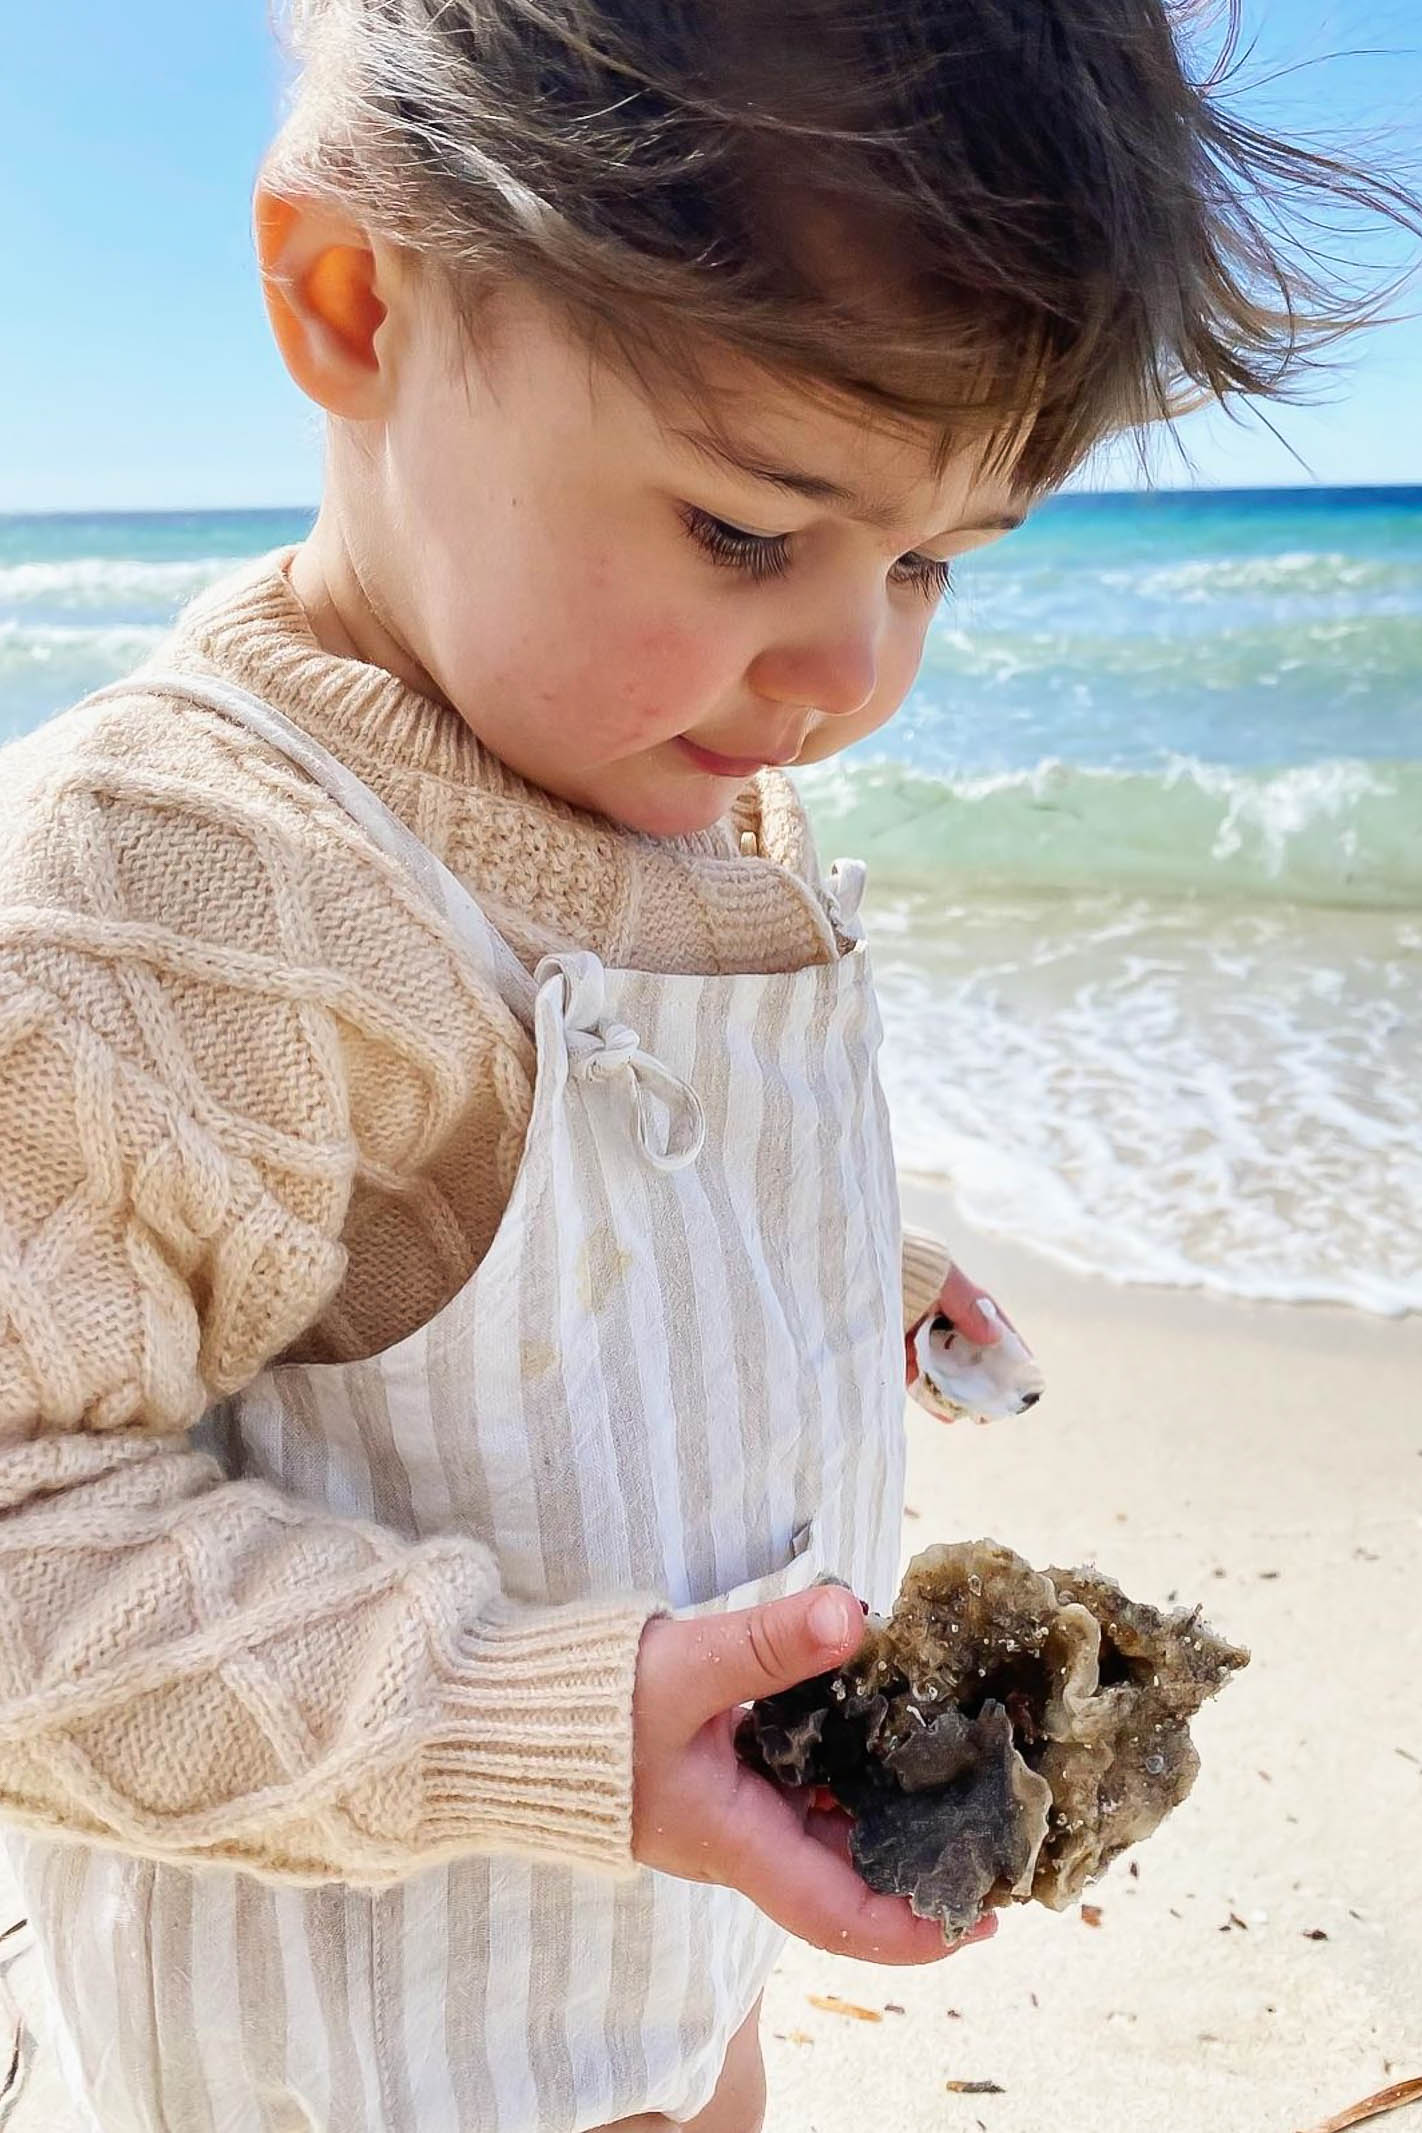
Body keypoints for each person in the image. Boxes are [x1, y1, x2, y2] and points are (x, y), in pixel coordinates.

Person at [0, 3, 1410, 2128]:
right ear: (353, 299)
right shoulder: (190, 887)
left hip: (660, 1951)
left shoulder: (682, 782)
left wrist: (838, 1263)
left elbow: (531, 1230)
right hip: (351, 2055)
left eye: (932, 559)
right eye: (751, 531)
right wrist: (545, 1713)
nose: (853, 671)